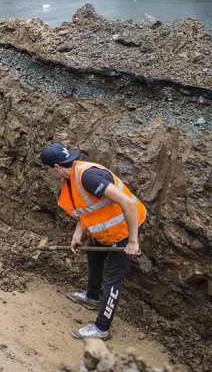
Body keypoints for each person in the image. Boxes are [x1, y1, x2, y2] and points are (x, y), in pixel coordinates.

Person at [40, 143, 146, 341]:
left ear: (56, 167)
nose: (48, 172)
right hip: (103, 230)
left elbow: (129, 203)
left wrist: (133, 241)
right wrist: (77, 233)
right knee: (95, 256)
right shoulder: (70, 178)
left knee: (113, 278)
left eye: (47, 169)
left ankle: (102, 328)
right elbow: (85, 207)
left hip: (124, 229)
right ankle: (92, 296)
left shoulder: (88, 177)